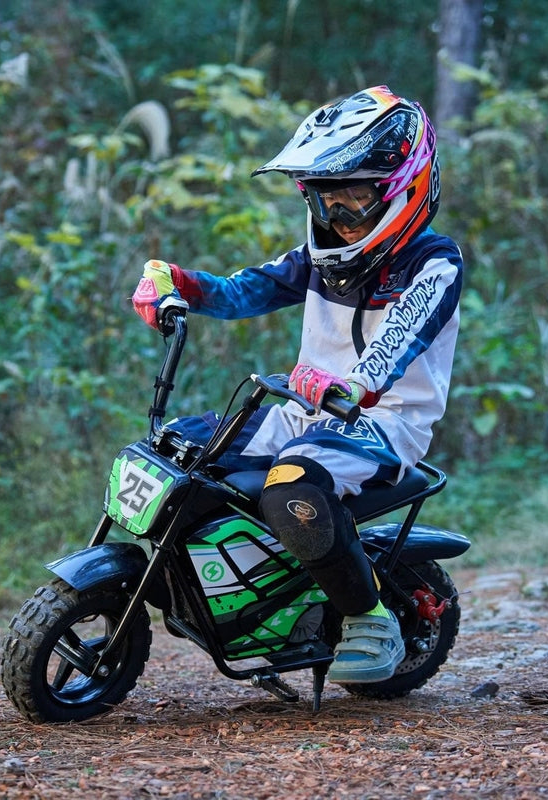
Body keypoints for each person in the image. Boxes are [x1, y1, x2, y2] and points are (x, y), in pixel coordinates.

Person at [132, 85, 462, 685]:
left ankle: (369, 619)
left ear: (403, 189)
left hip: (381, 424)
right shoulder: (320, 257)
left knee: (291, 485)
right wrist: (175, 281)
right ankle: (241, 595)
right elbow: (239, 292)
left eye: (354, 199)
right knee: (176, 450)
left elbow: (400, 340)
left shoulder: (433, 263)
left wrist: (352, 385)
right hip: (303, 410)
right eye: (324, 200)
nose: (337, 218)